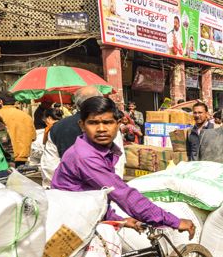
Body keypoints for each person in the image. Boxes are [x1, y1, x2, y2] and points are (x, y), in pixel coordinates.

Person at [51, 96, 194, 237]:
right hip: (71, 225)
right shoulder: (85, 156)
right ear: (82, 125)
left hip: (82, 216)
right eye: (93, 123)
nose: (101, 129)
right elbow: (123, 195)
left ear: (118, 124)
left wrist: (118, 220)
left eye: (107, 122)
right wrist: (173, 221)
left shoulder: (99, 149)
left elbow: (92, 194)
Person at [0, 92, 35, 168]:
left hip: (2, 157)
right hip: (22, 157)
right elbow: (33, 137)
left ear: (0, 101)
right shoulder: (26, 116)